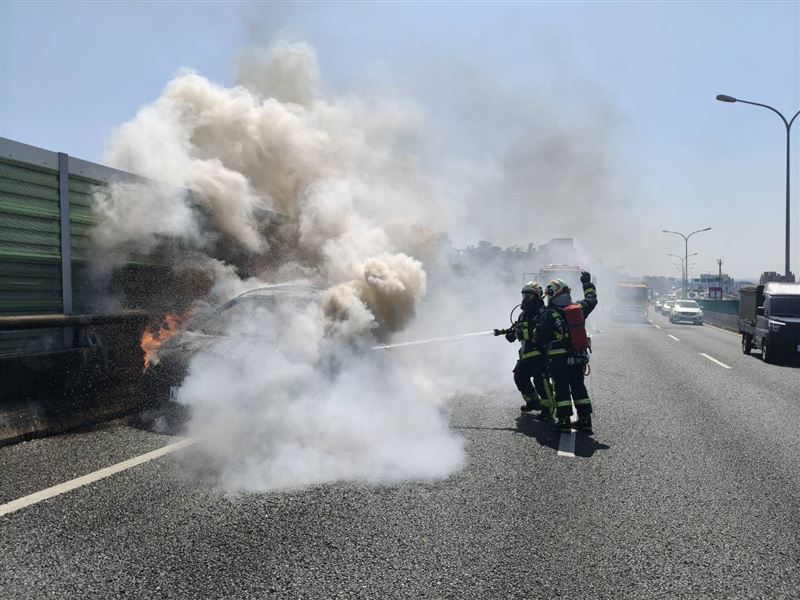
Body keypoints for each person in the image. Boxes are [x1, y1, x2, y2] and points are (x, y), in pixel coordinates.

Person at [537, 271, 598, 432]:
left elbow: (542, 339)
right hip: (577, 357)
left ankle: (564, 420)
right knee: (578, 386)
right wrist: (587, 283)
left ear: (552, 294)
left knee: (561, 388)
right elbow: (592, 299)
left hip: (558, 360)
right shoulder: (578, 309)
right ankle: (585, 420)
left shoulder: (548, 314)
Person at [495, 281, 554, 420]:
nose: (525, 299)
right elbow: (516, 330)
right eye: (524, 295)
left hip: (540, 355)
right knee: (519, 377)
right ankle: (533, 402)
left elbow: (541, 333)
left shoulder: (543, 313)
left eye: (529, 296)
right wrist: (510, 334)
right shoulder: (523, 315)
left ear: (537, 296)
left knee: (541, 383)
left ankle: (548, 409)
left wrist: (521, 334)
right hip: (526, 354)